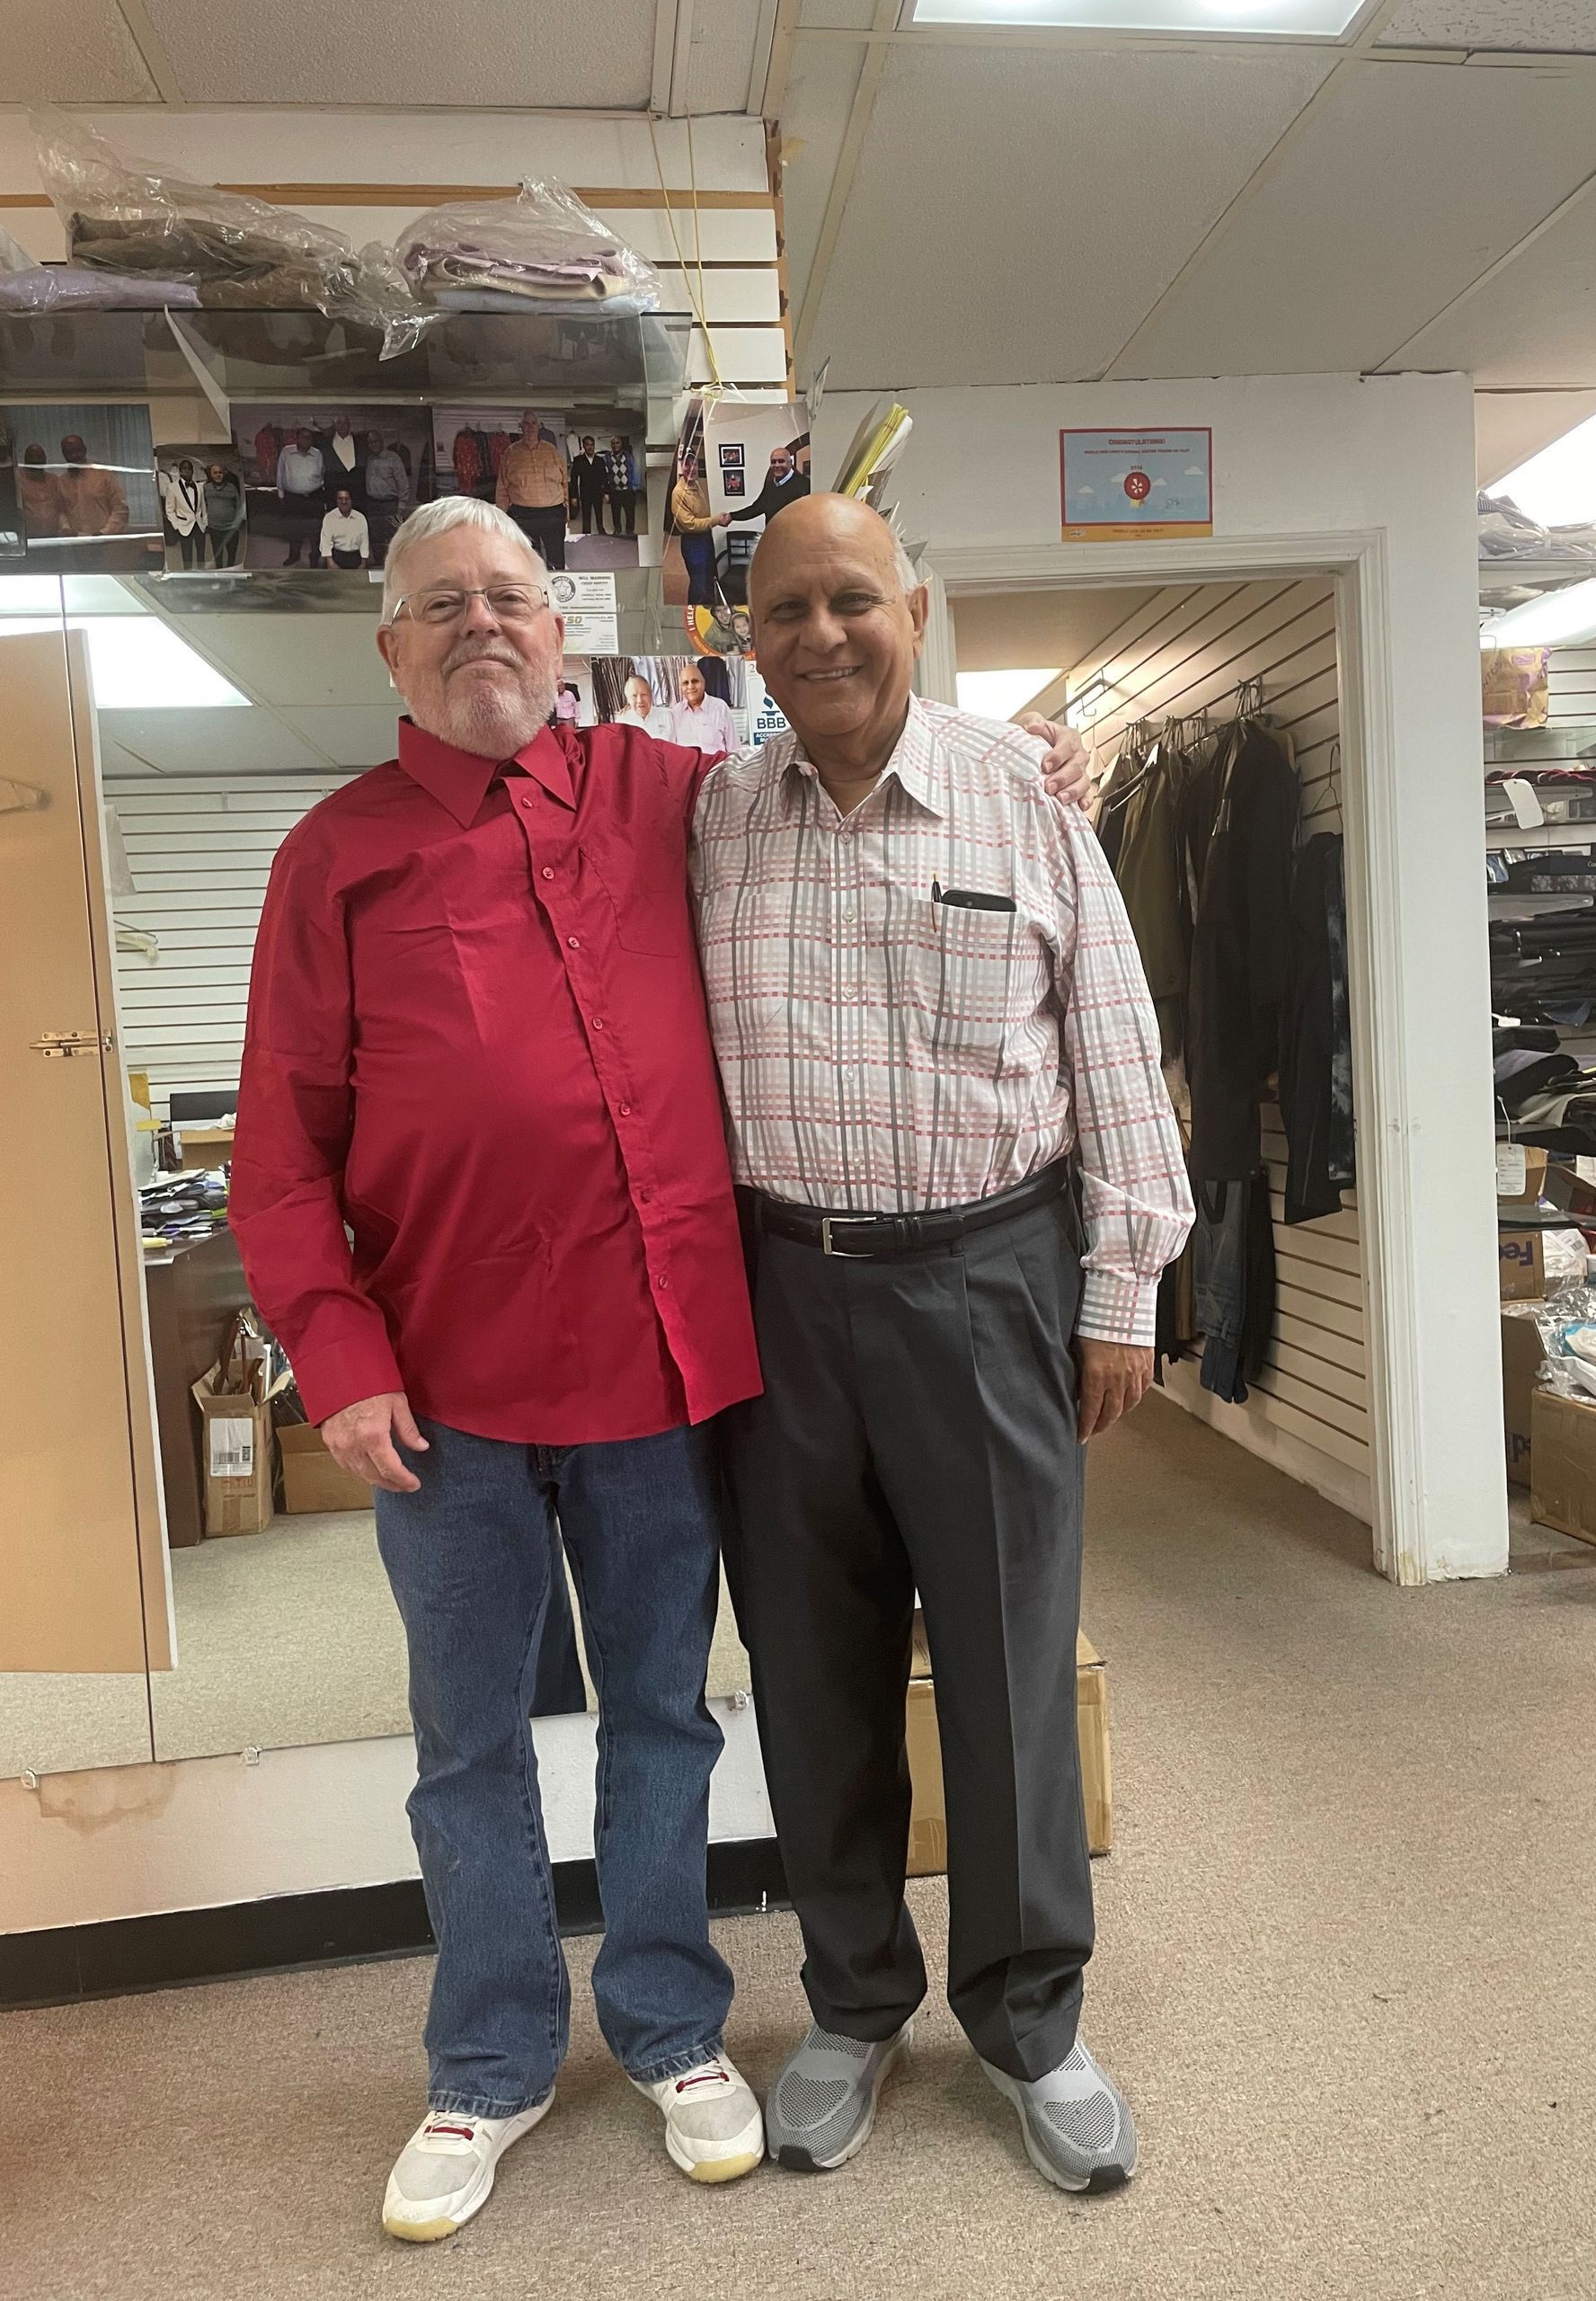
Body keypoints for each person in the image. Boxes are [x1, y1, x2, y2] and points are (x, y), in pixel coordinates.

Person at [228, 494, 1089, 2243]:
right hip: (440, 1397)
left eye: (514, 598)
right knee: (468, 1742)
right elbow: (280, 1150)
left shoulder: (669, 792)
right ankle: (486, 2061)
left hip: (658, 1369)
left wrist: (1016, 755)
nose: (485, 625)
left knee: (665, 1721)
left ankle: (676, 2026)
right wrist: (334, 1352)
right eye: (442, 604)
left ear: (565, 630)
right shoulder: (334, 856)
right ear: (389, 647)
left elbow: (849, 757)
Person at [694, 493, 1193, 2198]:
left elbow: (1117, 1050)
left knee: (1004, 1674)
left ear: (917, 604)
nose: (821, 636)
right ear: (743, 636)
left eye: (853, 601)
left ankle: (1035, 2018)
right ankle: (850, 2007)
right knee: (816, 1678)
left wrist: (1122, 1289)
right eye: (785, 612)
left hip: (989, 1281)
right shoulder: (708, 820)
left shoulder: (1025, 799)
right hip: (779, 1298)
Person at [492, 413, 570, 571]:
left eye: (533, 423)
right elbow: (502, 487)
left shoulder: (552, 451)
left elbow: (564, 483)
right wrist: (501, 516)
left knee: (556, 559)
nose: (530, 427)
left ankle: (557, 591)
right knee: (528, 560)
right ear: (521, 427)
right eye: (526, 424)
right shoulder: (510, 453)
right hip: (523, 514)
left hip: (553, 513)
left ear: (539, 426)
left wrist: (566, 509)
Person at [669, 455, 727, 609]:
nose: (692, 469)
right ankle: (695, 617)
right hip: (693, 542)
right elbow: (690, 524)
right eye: (687, 465)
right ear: (682, 468)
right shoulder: (678, 493)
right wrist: (716, 520)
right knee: (699, 585)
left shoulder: (696, 484)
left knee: (709, 579)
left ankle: (710, 615)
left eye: (694, 464)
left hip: (705, 537)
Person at [57, 435, 129, 537]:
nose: (73, 455)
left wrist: (105, 532)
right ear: (63, 454)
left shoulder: (103, 475)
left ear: (84, 450)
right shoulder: (61, 482)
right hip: (75, 543)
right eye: (68, 452)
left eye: (76, 450)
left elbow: (120, 508)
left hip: (105, 542)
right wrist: (66, 528)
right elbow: (60, 512)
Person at [277, 425, 325, 567]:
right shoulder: (286, 452)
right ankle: (294, 555)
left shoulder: (318, 454)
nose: (307, 440)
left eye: (309, 438)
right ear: (297, 438)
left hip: (314, 497)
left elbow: (322, 473)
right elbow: (280, 473)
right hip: (294, 498)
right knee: (295, 529)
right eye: (303, 437)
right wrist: (281, 494)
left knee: (315, 530)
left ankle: (315, 557)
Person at [730, 442, 810, 529]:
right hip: (772, 538)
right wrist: (731, 516)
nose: (777, 465)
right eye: (773, 462)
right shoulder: (770, 485)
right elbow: (756, 508)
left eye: (781, 461)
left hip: (794, 538)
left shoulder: (803, 484)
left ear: (790, 463)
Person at [361, 429, 412, 564]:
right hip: (372, 504)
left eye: (376, 441)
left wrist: (400, 508)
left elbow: (403, 484)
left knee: (392, 539)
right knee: (375, 538)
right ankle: (378, 565)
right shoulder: (369, 459)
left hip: (390, 504)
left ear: (382, 441)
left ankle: (392, 568)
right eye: (370, 442)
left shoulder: (393, 458)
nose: (373, 445)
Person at [669, 661, 732, 754]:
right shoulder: (675, 713)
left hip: (716, 768)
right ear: (681, 688)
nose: (690, 686)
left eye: (695, 681)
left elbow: (734, 749)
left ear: (703, 683)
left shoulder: (720, 708)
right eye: (685, 683)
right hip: (688, 768)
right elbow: (672, 751)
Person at [158, 458, 207, 568]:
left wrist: (205, 522)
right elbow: (169, 509)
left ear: (193, 471)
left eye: (189, 468)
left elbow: (203, 506)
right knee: (187, 554)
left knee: (201, 553)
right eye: (184, 469)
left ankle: (203, 574)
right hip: (183, 525)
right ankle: (188, 576)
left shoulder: (199, 487)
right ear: (179, 471)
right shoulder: (172, 487)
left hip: (199, 524)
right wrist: (176, 525)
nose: (187, 471)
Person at [202, 458, 245, 568]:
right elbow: (202, 506)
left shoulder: (232, 488)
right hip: (214, 529)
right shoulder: (206, 488)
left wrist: (236, 526)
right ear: (211, 475)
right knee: (218, 557)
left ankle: (231, 578)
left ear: (224, 473)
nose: (218, 475)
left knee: (231, 557)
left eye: (220, 472)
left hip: (231, 529)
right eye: (215, 473)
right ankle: (221, 579)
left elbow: (239, 507)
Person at [613, 670, 674, 741]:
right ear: (628, 699)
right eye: (634, 696)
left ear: (651, 695)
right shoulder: (621, 721)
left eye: (644, 695)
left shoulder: (667, 715)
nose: (640, 700)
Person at [17, 442, 62, 537]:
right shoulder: (16, 480)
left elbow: (62, 507)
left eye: (39, 457)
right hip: (27, 538)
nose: (36, 460)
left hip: (54, 537)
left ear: (45, 459)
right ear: (25, 460)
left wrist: (65, 528)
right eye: (32, 457)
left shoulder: (54, 480)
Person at [319, 487, 370, 569]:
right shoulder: (329, 518)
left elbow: (364, 542)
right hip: (337, 556)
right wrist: (330, 563)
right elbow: (326, 542)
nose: (344, 502)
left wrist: (363, 563)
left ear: (351, 500)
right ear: (336, 501)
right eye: (340, 499)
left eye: (347, 498)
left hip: (355, 557)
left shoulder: (360, 518)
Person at [570, 434, 608, 537]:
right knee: (586, 514)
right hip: (585, 492)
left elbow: (604, 477)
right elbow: (574, 479)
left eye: (592, 445)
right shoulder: (578, 460)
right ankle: (586, 532)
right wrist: (574, 496)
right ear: (584, 446)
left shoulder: (600, 461)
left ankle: (601, 529)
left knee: (599, 513)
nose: (590, 447)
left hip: (598, 492)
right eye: (587, 445)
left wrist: (606, 493)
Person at [320, 413, 364, 495]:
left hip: (357, 489)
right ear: (335, 425)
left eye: (345, 423)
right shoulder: (325, 443)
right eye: (339, 423)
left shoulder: (361, 442)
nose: (342, 426)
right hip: (333, 489)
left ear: (349, 425)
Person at [603, 435, 637, 538]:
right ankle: (617, 529)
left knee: (630, 512)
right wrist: (606, 490)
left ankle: (630, 530)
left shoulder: (628, 455)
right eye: (613, 443)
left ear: (621, 444)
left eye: (617, 443)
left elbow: (634, 470)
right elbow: (605, 474)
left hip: (628, 490)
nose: (615, 445)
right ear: (611, 445)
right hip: (615, 490)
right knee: (615, 512)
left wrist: (635, 486)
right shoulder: (607, 457)